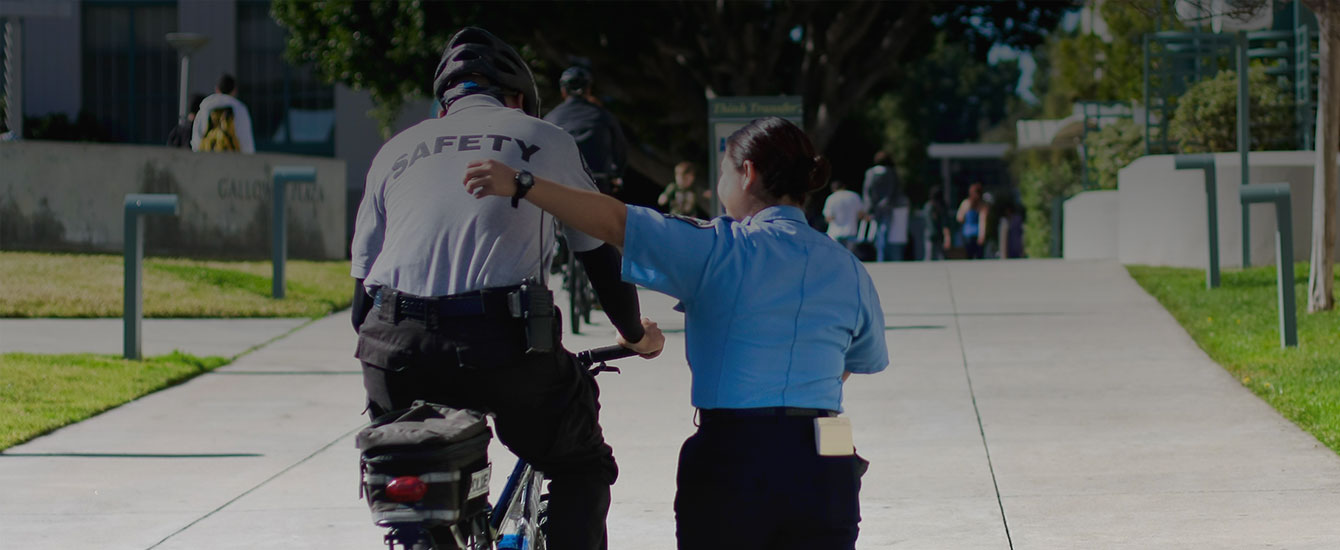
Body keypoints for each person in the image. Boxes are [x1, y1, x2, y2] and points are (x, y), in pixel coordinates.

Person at [463, 116, 888, 549]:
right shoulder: (848, 268)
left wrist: (522, 183)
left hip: (735, 452)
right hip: (828, 453)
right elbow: (860, 360)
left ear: (748, 172)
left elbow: (614, 222)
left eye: (723, 171)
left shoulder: (721, 249)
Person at [349, 27, 665, 550]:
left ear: (444, 102)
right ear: (518, 97)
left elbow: (363, 294)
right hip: (500, 344)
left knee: (413, 470)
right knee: (580, 463)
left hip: (393, 345)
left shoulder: (395, 149)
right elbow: (597, 253)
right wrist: (634, 333)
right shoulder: (541, 137)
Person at [542, 65, 627, 194]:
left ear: (563, 90)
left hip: (561, 185)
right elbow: (620, 152)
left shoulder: (551, 118)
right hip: (597, 184)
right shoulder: (603, 116)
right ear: (588, 89)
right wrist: (616, 176)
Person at [191, 74, 256, 153]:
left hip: (208, 159)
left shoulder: (205, 107)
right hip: (233, 161)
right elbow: (246, 141)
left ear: (217, 89)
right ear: (234, 90)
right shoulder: (240, 109)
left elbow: (196, 139)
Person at [862, 150, 906, 261]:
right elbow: (894, 191)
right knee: (885, 231)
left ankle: (880, 255)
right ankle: (882, 255)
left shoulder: (870, 173)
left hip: (874, 208)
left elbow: (867, 191)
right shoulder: (891, 173)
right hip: (887, 207)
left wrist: (868, 207)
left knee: (876, 231)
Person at [822, 179, 867, 247]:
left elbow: (828, 218)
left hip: (835, 233)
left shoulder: (831, 198)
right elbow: (861, 215)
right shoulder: (854, 196)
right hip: (851, 231)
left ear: (833, 189)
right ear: (844, 187)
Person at [957, 182, 989, 259]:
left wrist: (981, 235)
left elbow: (982, 221)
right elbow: (960, 218)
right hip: (968, 234)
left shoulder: (980, 205)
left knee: (974, 257)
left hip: (973, 233)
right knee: (974, 256)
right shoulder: (967, 204)